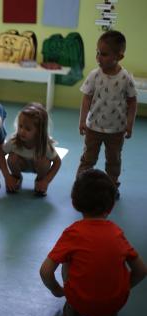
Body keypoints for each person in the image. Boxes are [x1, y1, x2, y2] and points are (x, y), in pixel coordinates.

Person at [40, 169, 146, 316]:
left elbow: (45, 271)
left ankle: (74, 313)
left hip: (80, 301)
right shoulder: (117, 234)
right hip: (116, 302)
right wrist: (123, 289)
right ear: (110, 207)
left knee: (67, 259)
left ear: (75, 203)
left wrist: (57, 290)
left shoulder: (72, 233)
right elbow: (141, 271)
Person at [76, 30, 137, 199]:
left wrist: (129, 124)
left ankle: (112, 186)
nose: (98, 57)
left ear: (119, 56)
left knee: (114, 161)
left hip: (116, 131)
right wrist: (82, 120)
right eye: (97, 52)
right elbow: (86, 98)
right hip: (93, 127)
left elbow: (132, 101)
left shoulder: (126, 78)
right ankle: (81, 185)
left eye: (103, 54)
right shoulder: (94, 75)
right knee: (88, 159)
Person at [0, 103, 61, 196]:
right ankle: (16, 178)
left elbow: (57, 162)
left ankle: (39, 181)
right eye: (20, 126)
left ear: (39, 131)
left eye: (28, 129)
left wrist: (46, 181)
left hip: (38, 165)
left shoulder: (44, 146)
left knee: (43, 161)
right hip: (21, 164)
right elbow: (0, 155)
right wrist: (7, 177)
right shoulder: (14, 142)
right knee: (12, 157)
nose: (22, 131)